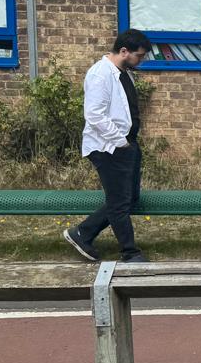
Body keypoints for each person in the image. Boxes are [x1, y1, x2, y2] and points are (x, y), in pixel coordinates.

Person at [65, 29, 152, 264]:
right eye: (139, 56)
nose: (141, 60)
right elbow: (94, 115)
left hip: (126, 145)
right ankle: (130, 252)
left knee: (129, 198)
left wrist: (128, 142)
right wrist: (120, 141)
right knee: (120, 202)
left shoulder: (123, 73)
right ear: (124, 51)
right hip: (109, 147)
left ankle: (82, 233)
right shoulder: (100, 74)